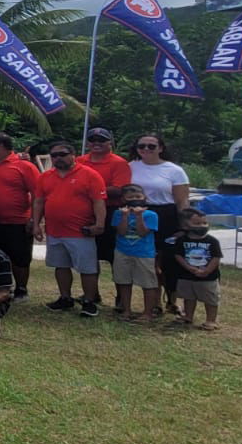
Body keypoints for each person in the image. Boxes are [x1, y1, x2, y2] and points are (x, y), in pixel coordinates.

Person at [33, 141, 107, 318]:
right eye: (54, 155)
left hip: (80, 231)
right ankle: (65, 297)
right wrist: (36, 223)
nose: (58, 158)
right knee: (60, 266)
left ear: (73, 155)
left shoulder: (90, 175)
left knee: (87, 268)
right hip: (55, 231)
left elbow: (99, 201)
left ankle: (89, 301)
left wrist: (99, 224)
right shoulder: (45, 177)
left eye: (63, 154)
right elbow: (39, 201)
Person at [127, 132, 190, 316]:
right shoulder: (130, 167)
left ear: (161, 148)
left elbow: (182, 201)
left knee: (169, 262)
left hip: (166, 216)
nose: (146, 149)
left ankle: (172, 300)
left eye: (151, 146)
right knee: (149, 263)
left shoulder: (174, 170)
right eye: (142, 146)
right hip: (139, 215)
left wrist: (184, 226)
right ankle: (154, 304)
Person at [0, 133, 40, 301]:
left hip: (18, 221)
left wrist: (34, 220)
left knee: (19, 257)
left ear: (1, 146)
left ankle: (21, 289)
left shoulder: (24, 166)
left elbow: (38, 195)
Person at [81, 127, 133, 277]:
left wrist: (89, 190)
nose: (97, 143)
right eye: (92, 140)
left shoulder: (119, 163)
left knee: (113, 255)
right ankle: (91, 294)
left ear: (110, 142)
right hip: (86, 211)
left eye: (102, 140)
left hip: (111, 211)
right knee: (89, 255)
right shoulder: (80, 161)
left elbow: (119, 189)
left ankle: (120, 296)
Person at [111, 184, 159, 321]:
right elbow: (121, 231)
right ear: (124, 199)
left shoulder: (151, 215)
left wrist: (138, 216)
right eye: (130, 197)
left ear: (144, 197)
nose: (135, 199)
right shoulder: (118, 213)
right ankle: (126, 310)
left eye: (138, 196)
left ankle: (148, 313)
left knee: (148, 283)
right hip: (122, 251)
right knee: (124, 281)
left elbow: (143, 233)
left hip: (144, 253)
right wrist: (125, 216)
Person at [173, 208, 222, 330]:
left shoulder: (212, 241)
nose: (202, 226)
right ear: (185, 225)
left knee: (210, 299)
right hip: (186, 275)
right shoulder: (181, 240)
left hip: (208, 277)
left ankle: (211, 320)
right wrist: (190, 268)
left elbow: (216, 257)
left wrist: (207, 271)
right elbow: (178, 256)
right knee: (188, 297)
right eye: (197, 223)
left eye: (204, 223)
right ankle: (188, 316)